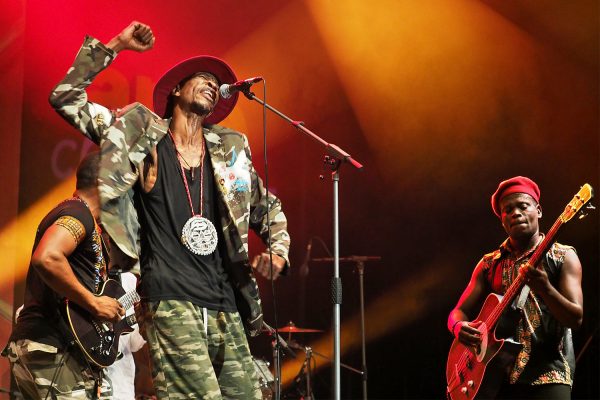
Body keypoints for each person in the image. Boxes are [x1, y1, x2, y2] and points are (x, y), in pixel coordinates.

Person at [49, 21, 291, 398]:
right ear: (176, 89)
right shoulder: (138, 133)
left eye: (216, 82)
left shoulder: (229, 152)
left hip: (227, 305)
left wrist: (278, 252)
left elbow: (268, 207)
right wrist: (117, 45)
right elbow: (65, 97)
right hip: (171, 299)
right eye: (202, 77)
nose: (212, 83)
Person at [447, 176, 583, 399]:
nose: (515, 213)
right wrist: (458, 327)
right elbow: (457, 312)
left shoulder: (563, 257)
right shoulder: (489, 264)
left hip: (549, 375)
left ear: (538, 210)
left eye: (523, 206)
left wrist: (546, 288)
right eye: (508, 210)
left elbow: (575, 319)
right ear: (502, 220)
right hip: (497, 378)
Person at [3, 151, 124, 399]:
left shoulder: (83, 217)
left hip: (46, 347)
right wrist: (93, 303)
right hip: (54, 348)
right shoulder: (78, 213)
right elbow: (47, 257)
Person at [103, 271, 147, 400]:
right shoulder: (86, 277)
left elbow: (134, 343)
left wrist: (143, 321)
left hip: (121, 385)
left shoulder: (129, 280)